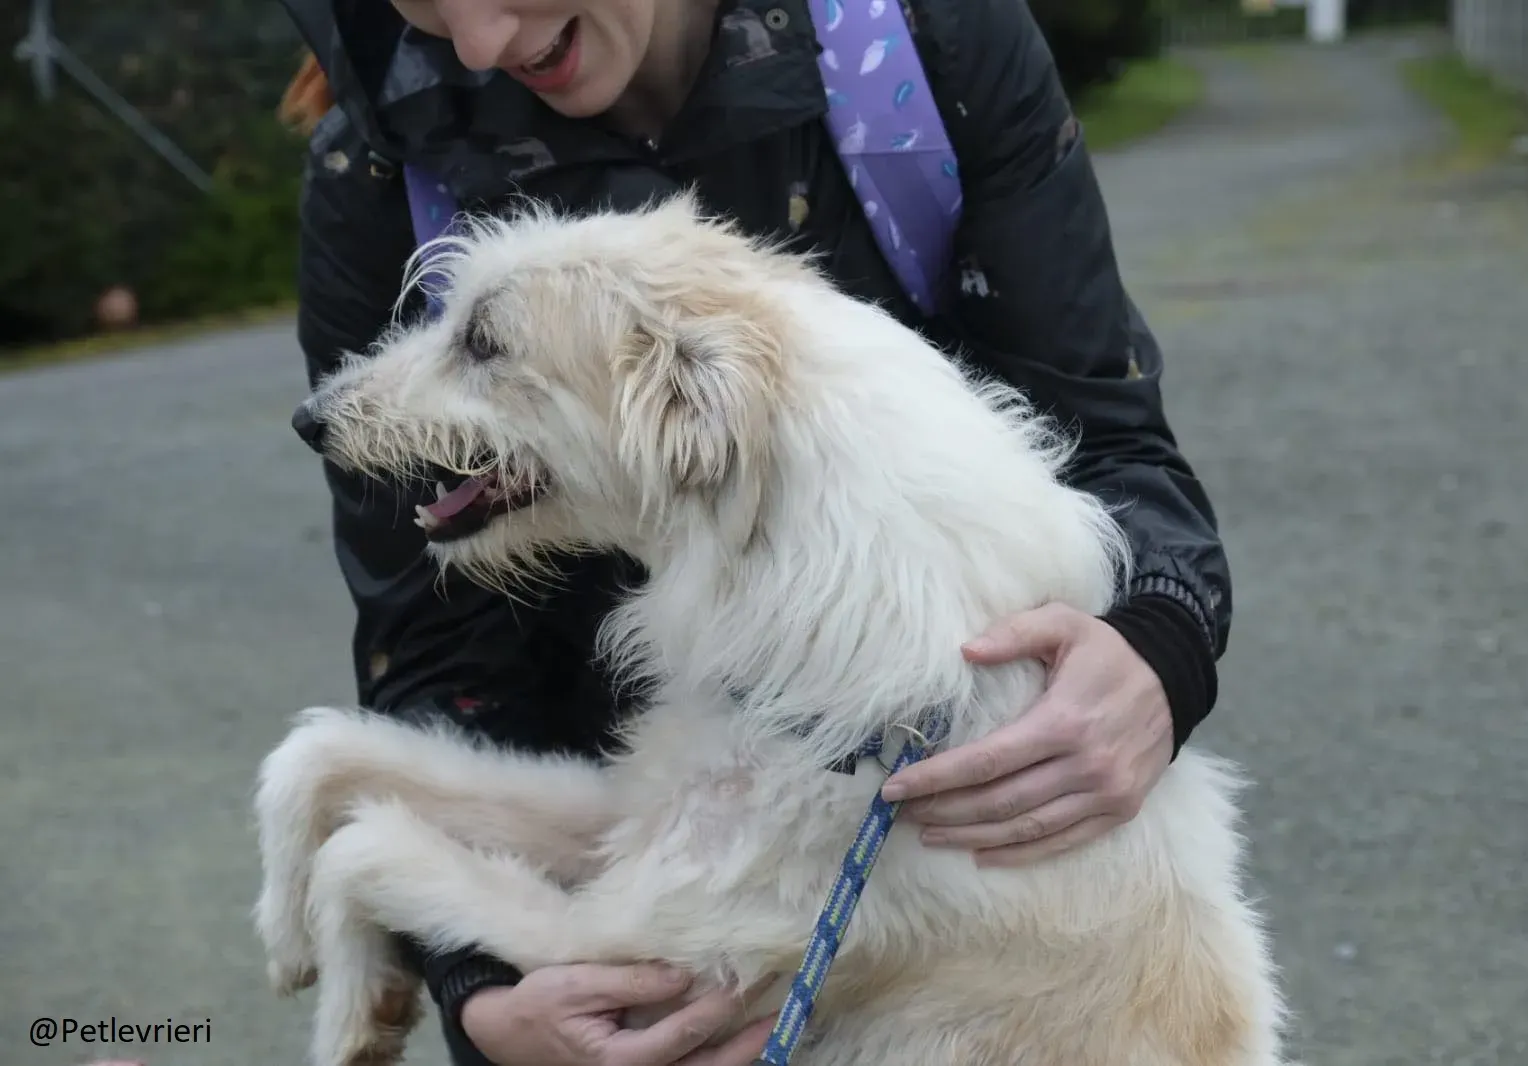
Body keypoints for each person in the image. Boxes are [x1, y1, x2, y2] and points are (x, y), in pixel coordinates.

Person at [274, 0, 1233, 1063]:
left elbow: (1106, 432)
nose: (481, 46)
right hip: (627, 821)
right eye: (423, 4)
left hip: (860, 799)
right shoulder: (378, 166)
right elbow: (431, 638)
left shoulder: (924, 40)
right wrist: (480, 996)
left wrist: (1160, 646)